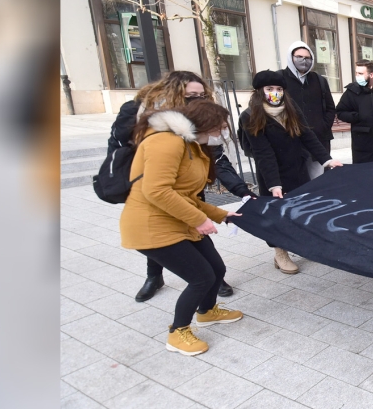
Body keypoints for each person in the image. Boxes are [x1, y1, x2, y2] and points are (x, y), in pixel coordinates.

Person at [108, 71, 253, 303]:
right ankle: (156, 276)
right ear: (174, 93)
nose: (196, 99)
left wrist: (242, 191)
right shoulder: (151, 120)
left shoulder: (200, 123)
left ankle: (212, 277)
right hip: (153, 183)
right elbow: (124, 152)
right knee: (161, 233)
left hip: (189, 184)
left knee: (196, 229)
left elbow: (217, 158)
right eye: (190, 95)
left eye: (201, 94)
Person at [119, 100, 245, 356]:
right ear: (204, 123)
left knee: (216, 268)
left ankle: (207, 312)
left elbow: (187, 195)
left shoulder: (192, 145)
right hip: (152, 225)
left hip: (177, 219)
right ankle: (178, 332)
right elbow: (157, 190)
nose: (221, 131)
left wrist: (222, 214)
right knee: (201, 278)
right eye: (218, 126)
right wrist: (199, 220)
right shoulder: (167, 142)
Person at [239, 70, 342, 274]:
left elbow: (308, 136)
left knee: (300, 208)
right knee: (276, 213)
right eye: (269, 89)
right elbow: (263, 152)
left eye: (278, 89)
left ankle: (302, 243)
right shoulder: (250, 116)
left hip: (296, 167)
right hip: (271, 173)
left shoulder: (291, 109)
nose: (275, 93)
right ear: (259, 91)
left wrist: (327, 160)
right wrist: (274, 184)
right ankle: (280, 252)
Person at [280, 41, 338, 156]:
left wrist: (323, 126)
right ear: (291, 58)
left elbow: (330, 107)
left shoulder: (319, 80)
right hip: (291, 140)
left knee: (321, 173)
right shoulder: (279, 78)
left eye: (307, 57)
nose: (303, 60)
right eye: (299, 57)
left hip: (319, 138)